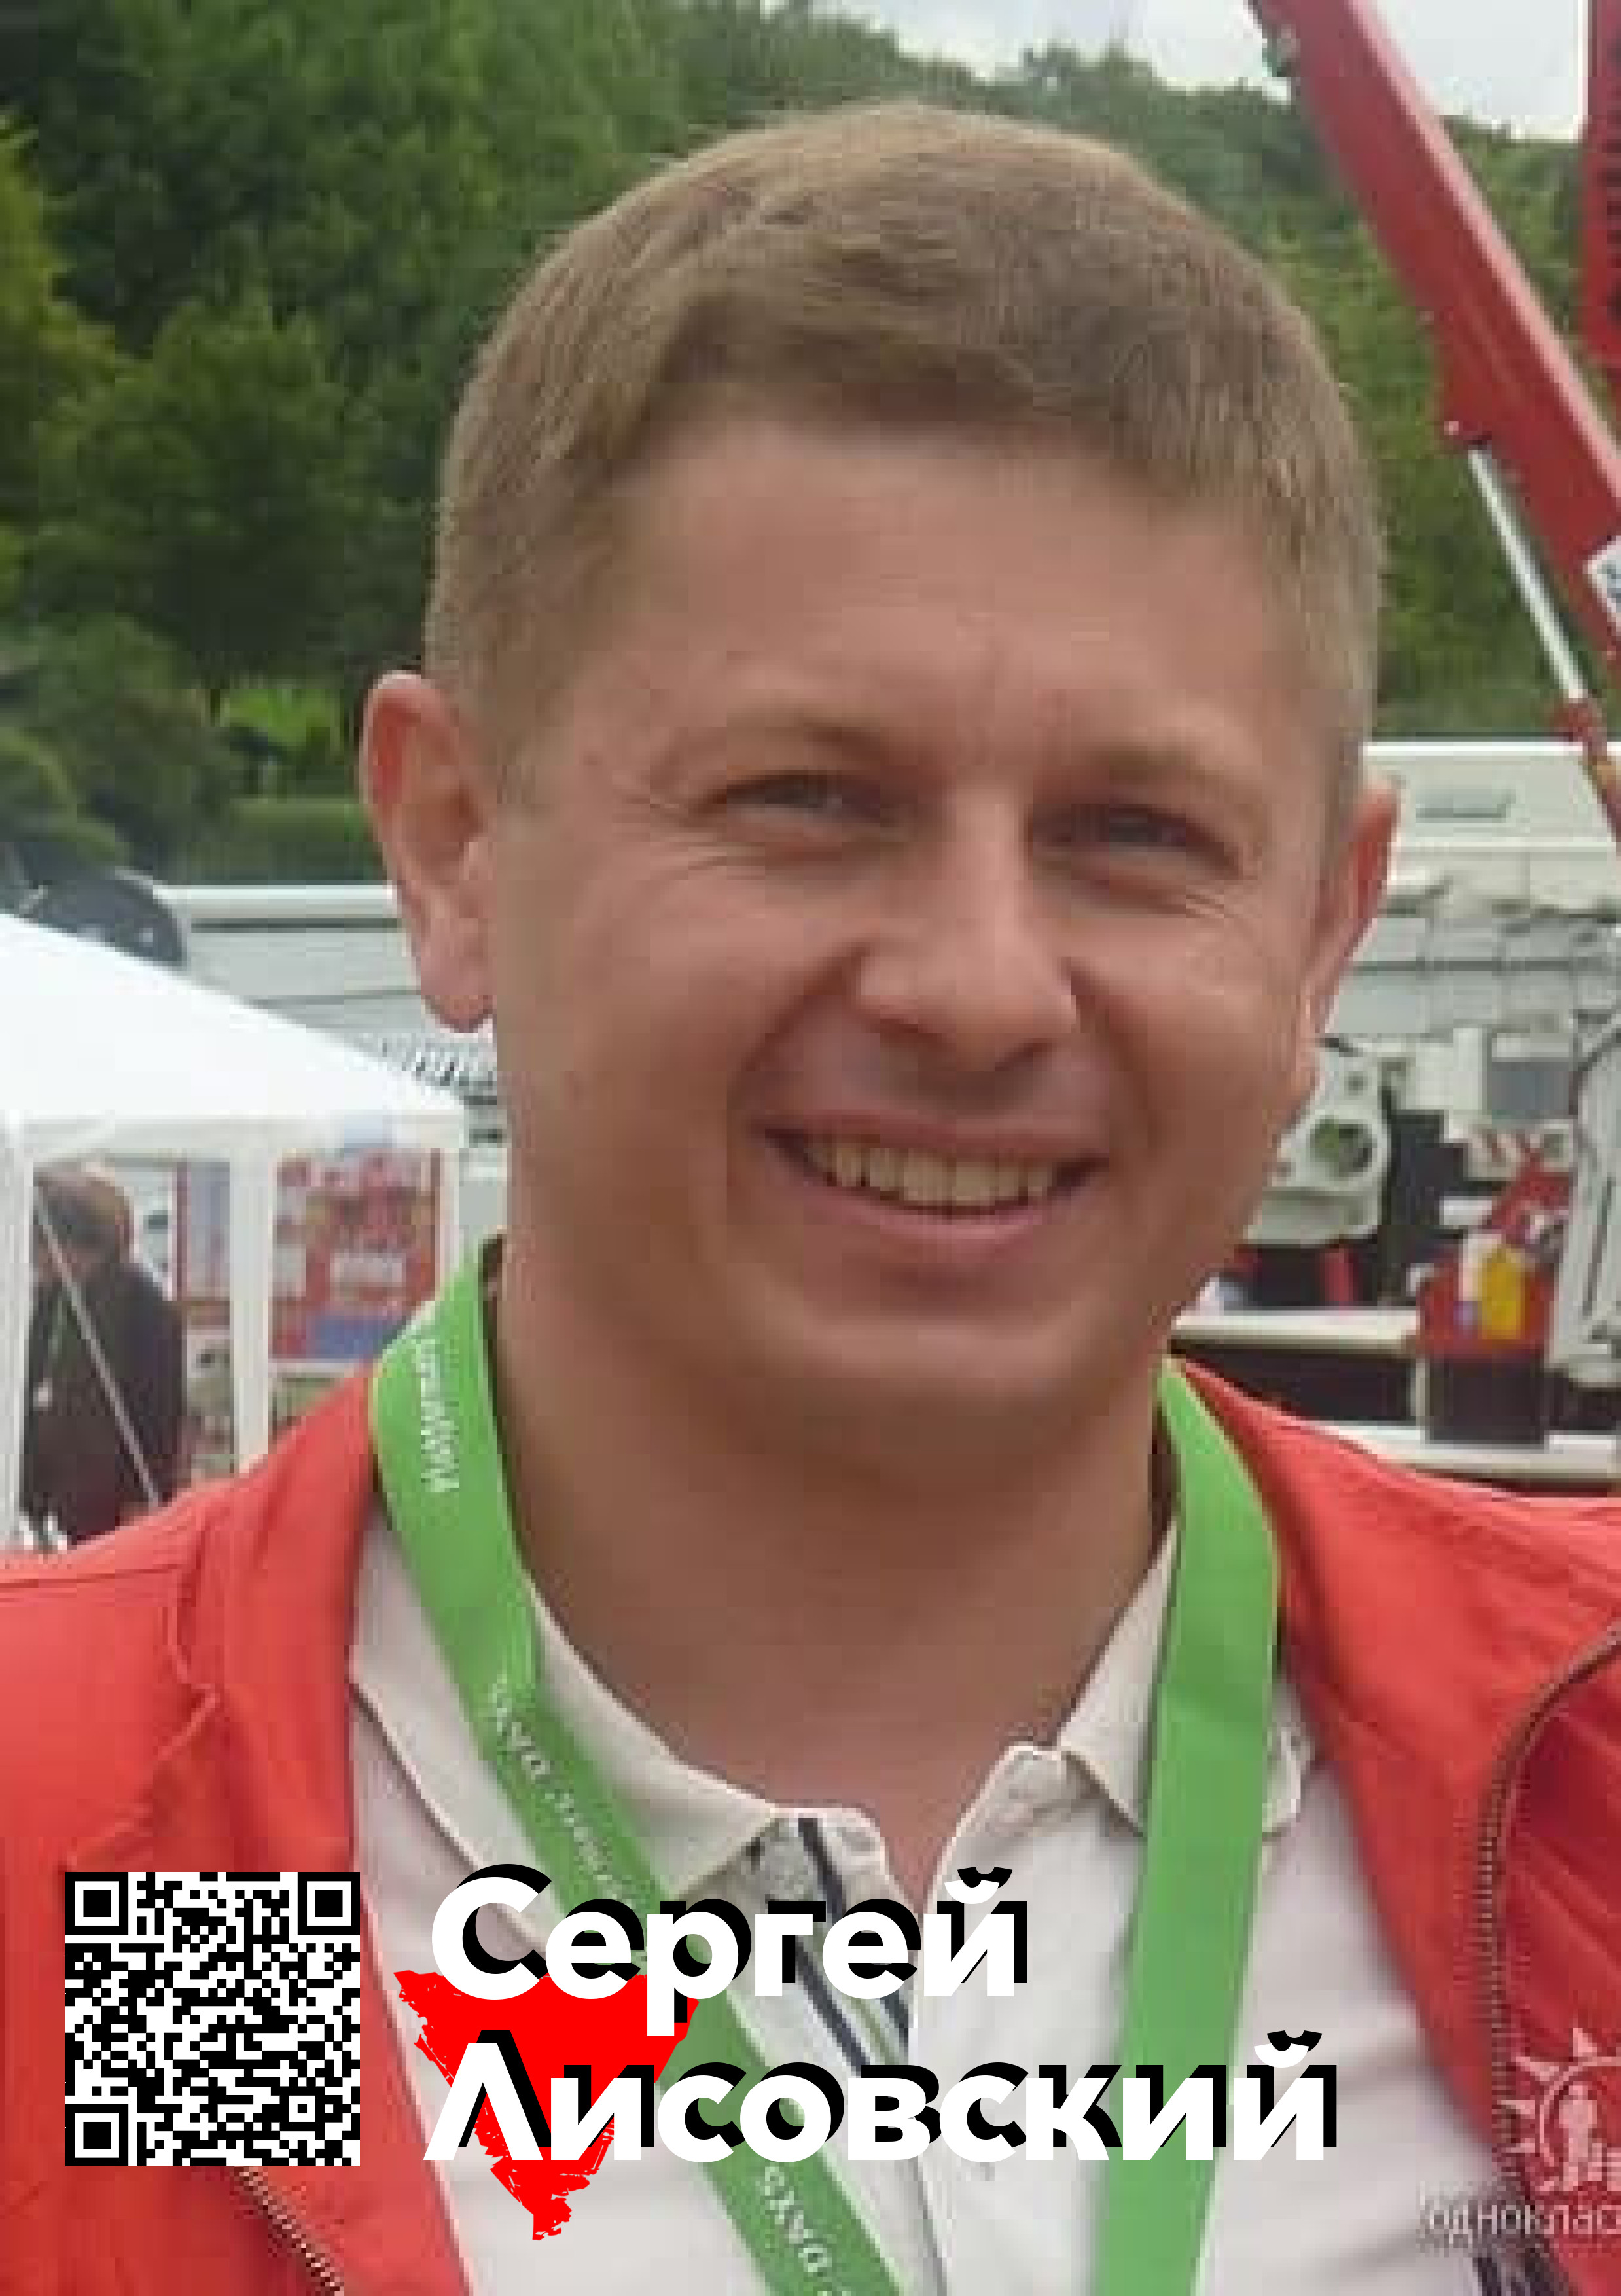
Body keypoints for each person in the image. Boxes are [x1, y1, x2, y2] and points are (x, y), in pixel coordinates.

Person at [1, 102, 1616, 2296]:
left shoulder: (1576, 1774)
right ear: (452, 845)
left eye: (1132, 832)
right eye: (807, 799)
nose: (975, 984)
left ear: (1324, 925)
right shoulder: (102, 1841)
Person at [20, 1164, 185, 1546]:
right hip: (58, 1491)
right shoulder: (53, 1298)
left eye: (38, 1247)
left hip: (116, 1497)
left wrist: (141, 1498)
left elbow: (159, 1411)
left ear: (67, 1242)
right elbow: (32, 1382)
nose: (33, 1261)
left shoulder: (144, 1306)